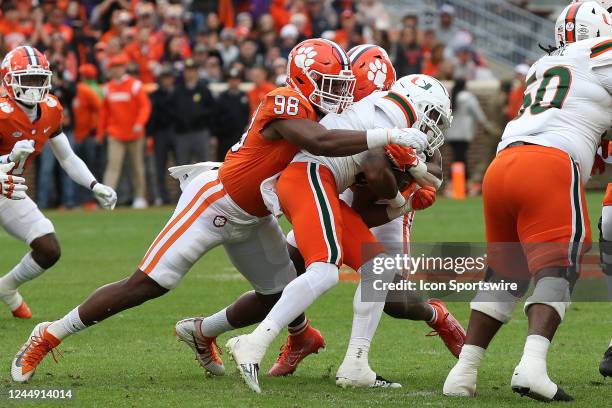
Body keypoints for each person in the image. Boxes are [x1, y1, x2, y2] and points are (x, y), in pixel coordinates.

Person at [10, 38, 424, 384]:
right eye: (327, 83)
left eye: (341, 84)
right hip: (214, 202)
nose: (338, 93)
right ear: (301, 78)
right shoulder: (283, 100)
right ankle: (47, 335)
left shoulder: (326, 110)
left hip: (257, 216)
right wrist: (387, 134)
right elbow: (320, 143)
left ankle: (228, 336)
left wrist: (407, 171)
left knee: (279, 295)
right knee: (148, 284)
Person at [181, 52, 462, 386]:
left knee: (385, 284)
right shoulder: (381, 115)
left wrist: (413, 179)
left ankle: (357, 362)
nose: (346, 99)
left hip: (337, 192)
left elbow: (426, 173)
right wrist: (403, 191)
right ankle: (253, 342)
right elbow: (367, 166)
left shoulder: (396, 114)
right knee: (319, 272)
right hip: (316, 181)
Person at [443, 2, 612, 401]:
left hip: (504, 164)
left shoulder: (543, 65)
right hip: (549, 163)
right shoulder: (602, 53)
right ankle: (533, 366)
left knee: (506, 273)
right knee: (560, 266)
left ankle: (463, 372)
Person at [0, 46, 116, 320]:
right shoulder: (2, 113)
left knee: (48, 248)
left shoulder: (51, 109)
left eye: (38, 79)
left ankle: (7, 287)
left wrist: (93, 185)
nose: (34, 86)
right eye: (26, 79)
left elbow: (67, 158)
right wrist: (6, 159)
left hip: (8, 192)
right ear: (8, 80)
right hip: (5, 184)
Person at [97, 53, 151, 209]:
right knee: (113, 167)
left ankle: (140, 198)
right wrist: (101, 133)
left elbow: (145, 106)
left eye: (119, 67)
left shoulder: (135, 85)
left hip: (135, 134)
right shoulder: (108, 89)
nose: (116, 70)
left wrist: (140, 123)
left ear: (124, 68)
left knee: (137, 167)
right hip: (116, 134)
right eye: (114, 67)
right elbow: (104, 113)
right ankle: (106, 199)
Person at [444, 79, 494, 193]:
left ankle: (460, 184)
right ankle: (459, 185)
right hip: (464, 133)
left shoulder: (450, 97)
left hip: (451, 133)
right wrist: (487, 125)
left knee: (458, 158)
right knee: (460, 158)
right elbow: (478, 114)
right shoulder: (468, 98)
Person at [174, 58, 215, 165]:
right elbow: (172, 110)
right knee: (183, 167)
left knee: (204, 166)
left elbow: (212, 110)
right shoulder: (178, 90)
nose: (190, 73)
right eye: (188, 70)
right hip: (182, 134)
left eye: (192, 70)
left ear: (197, 72)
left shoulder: (204, 90)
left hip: (200, 132)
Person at [72, 64, 103, 207]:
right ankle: (81, 200)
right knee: (79, 169)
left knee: (88, 169)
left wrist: (95, 129)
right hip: (77, 135)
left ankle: (90, 200)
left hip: (86, 136)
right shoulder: (86, 89)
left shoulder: (85, 90)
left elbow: (100, 109)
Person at [148, 64, 178, 204]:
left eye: (169, 77)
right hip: (160, 133)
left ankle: (181, 196)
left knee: (180, 166)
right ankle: (161, 196)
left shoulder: (179, 92)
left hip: (177, 131)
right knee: (159, 166)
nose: (167, 80)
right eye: (164, 78)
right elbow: (153, 116)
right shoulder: (155, 95)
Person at [214, 67, 250, 161]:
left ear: (239, 81)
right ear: (228, 81)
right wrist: (215, 135)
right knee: (222, 162)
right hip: (224, 137)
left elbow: (248, 114)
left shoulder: (244, 96)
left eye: (236, 79)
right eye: (231, 79)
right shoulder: (221, 97)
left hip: (240, 137)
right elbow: (215, 117)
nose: (233, 82)